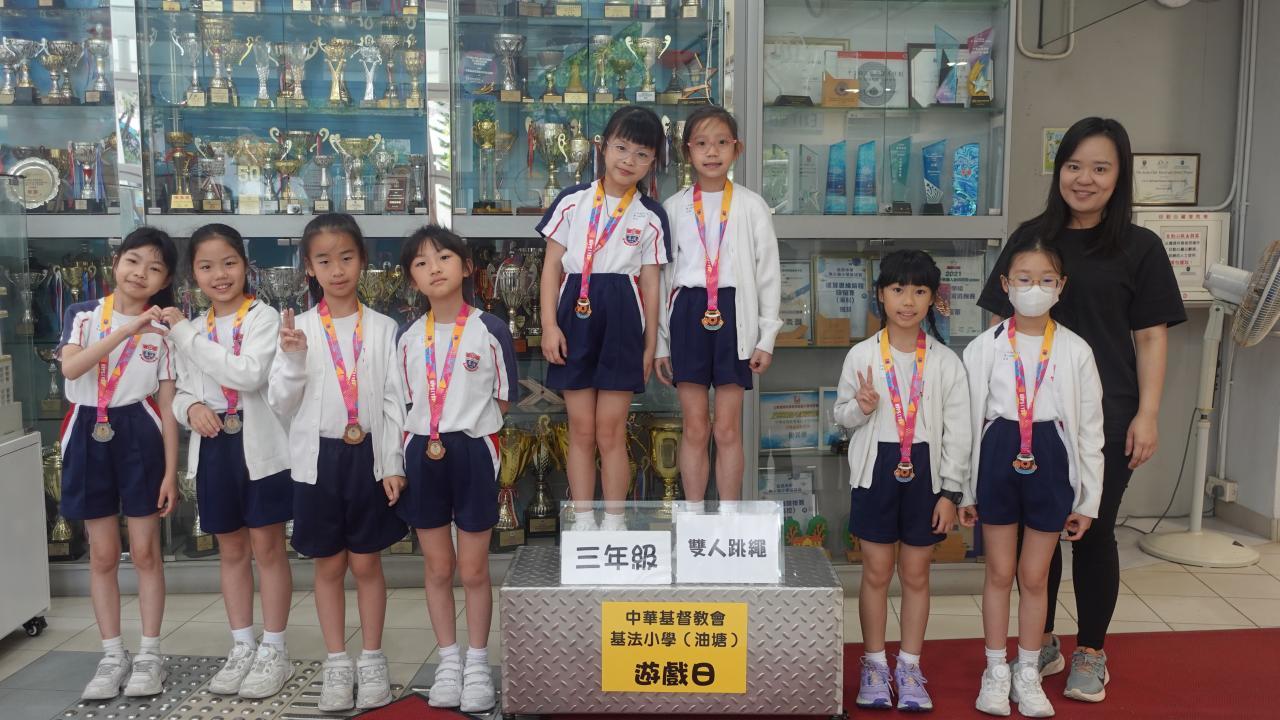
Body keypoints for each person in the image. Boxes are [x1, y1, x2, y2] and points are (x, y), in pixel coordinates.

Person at [977, 117, 1186, 702]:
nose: (1084, 179)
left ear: (1120, 176)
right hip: (1031, 420)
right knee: (1036, 534)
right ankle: (1040, 641)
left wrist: (1148, 414)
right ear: (1059, 170)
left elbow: (1151, 336)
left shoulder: (1139, 247)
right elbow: (998, 323)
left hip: (1106, 416)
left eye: (1100, 167)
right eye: (1074, 166)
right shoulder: (1031, 237)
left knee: (1092, 531)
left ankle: (1091, 651)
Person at [267, 213, 408, 712]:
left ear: (363, 261)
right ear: (309, 267)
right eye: (324, 260)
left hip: (367, 454)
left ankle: (371, 659)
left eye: (347, 257)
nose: (338, 269)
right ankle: (336, 662)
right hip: (317, 460)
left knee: (366, 562)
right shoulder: (298, 329)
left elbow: (393, 402)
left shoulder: (384, 328)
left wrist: (392, 462)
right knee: (328, 564)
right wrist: (293, 359)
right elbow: (280, 403)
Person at [966, 237, 1104, 717]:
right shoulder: (984, 347)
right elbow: (965, 423)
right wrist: (963, 489)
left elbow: (1090, 430)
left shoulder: (1076, 350)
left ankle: (1028, 670)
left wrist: (1088, 499)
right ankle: (994, 669)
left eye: (1045, 280)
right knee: (999, 571)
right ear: (1005, 285)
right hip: (998, 453)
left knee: (1034, 575)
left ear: (1061, 286)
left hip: (1050, 455)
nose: (1034, 288)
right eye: (1024, 279)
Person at [834, 250, 971, 713]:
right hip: (876, 471)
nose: (907, 301)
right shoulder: (862, 355)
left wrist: (951, 492)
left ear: (933, 298)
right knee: (875, 572)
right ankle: (874, 665)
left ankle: (909, 667)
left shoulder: (946, 362)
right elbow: (841, 416)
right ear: (881, 295)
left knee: (916, 572)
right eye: (897, 290)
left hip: (926, 474)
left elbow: (959, 433)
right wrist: (862, 408)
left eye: (919, 291)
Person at [164, 224, 295, 699]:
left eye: (228, 263)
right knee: (231, 550)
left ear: (245, 266)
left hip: (261, 448)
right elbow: (179, 392)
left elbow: (248, 374)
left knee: (268, 549)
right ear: (193, 275)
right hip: (215, 445)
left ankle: (274, 649)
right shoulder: (193, 328)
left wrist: (184, 333)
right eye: (206, 266)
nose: (219, 275)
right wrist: (191, 409)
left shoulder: (263, 318)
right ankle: (242, 645)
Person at [394, 225, 516, 713]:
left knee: (474, 568)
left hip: (471, 452)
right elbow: (403, 401)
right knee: (438, 566)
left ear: (466, 267)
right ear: (412, 280)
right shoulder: (407, 337)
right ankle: (448, 660)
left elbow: (503, 398)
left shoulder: (491, 330)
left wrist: (472, 431)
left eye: (444, 257)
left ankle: (478, 662)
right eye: (421, 263)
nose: (434, 268)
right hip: (423, 453)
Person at [58, 227, 181, 700]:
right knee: (103, 554)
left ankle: (150, 654)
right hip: (87, 429)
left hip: (139, 433)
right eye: (133, 261)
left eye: (154, 268)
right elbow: (72, 368)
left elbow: (167, 406)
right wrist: (128, 329)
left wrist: (170, 472)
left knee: (146, 552)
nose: (140, 273)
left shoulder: (165, 333)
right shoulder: (83, 314)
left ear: (164, 279)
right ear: (115, 263)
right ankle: (112, 655)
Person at [536, 106, 670, 530]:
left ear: (653, 162)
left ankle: (614, 521)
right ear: (603, 147)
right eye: (622, 148)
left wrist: (650, 345)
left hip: (622, 323)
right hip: (573, 317)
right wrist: (549, 326)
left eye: (642, 154)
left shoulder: (651, 215)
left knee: (611, 431)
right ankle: (583, 520)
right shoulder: (571, 201)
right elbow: (551, 268)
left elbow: (651, 285)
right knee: (580, 429)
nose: (629, 160)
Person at [654, 105, 781, 511]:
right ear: (687, 151)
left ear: (737, 149)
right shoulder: (672, 207)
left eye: (722, 143)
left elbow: (768, 273)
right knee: (695, 427)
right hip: (687, 313)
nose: (712, 152)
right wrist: (660, 343)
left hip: (734, 313)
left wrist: (766, 336)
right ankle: (693, 514)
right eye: (702, 143)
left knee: (727, 428)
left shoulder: (751, 206)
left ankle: (730, 517)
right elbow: (663, 279)